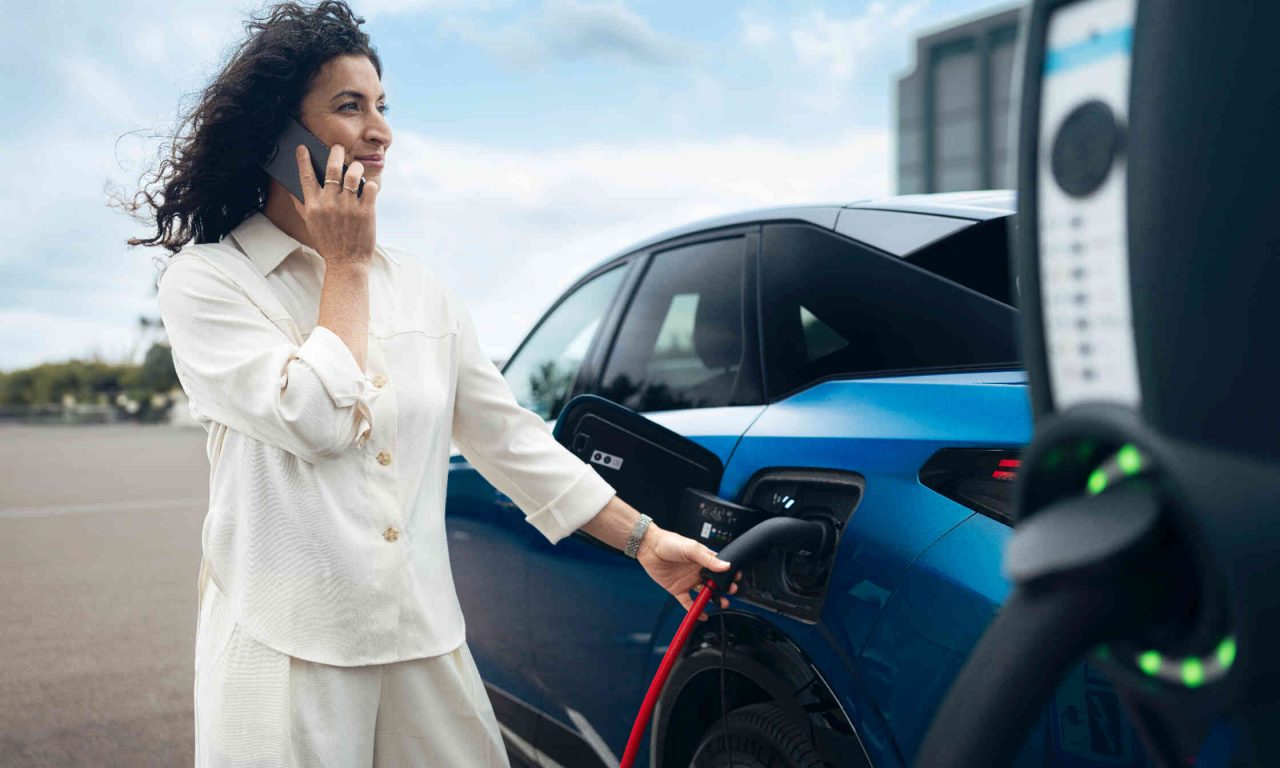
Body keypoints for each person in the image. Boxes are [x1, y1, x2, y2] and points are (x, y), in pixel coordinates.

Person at [119, 2, 740, 765]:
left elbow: (506, 438)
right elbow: (315, 418)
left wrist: (643, 540)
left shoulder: (423, 289)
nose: (381, 131)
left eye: (383, 106)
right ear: (279, 135)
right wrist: (345, 268)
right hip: (285, 655)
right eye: (351, 106)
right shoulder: (210, 282)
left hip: (424, 644)